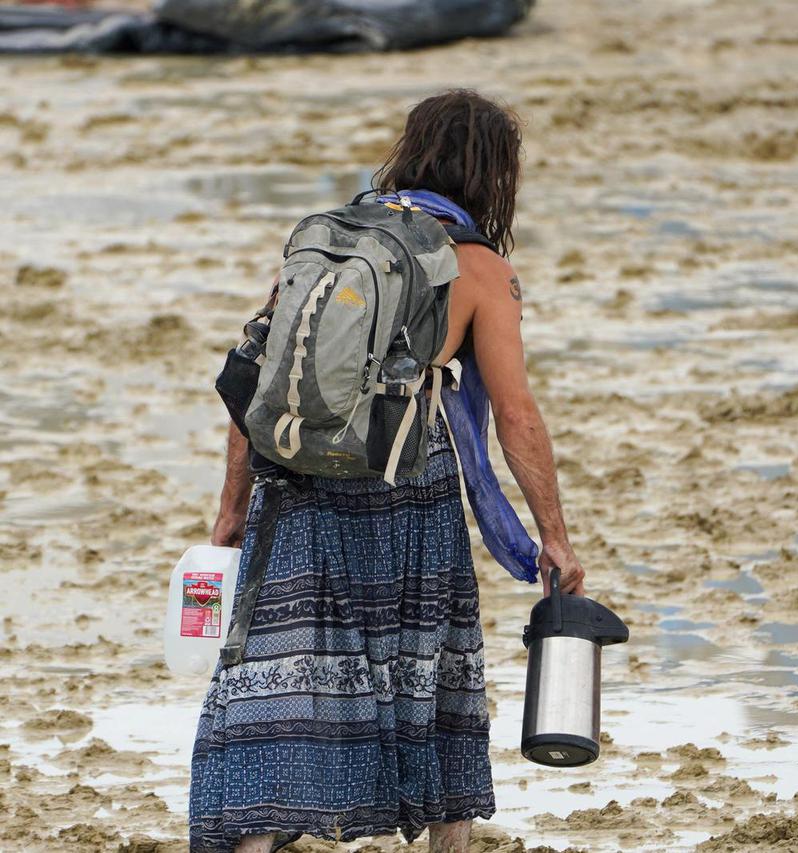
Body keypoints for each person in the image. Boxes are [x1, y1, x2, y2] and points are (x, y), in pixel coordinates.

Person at [189, 89, 586, 853]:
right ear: (494, 173)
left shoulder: (332, 238)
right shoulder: (478, 268)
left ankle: (250, 839)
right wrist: (554, 537)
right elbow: (516, 415)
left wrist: (231, 512)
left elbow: (257, 383)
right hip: (409, 487)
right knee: (431, 673)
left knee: (287, 672)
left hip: (296, 486)